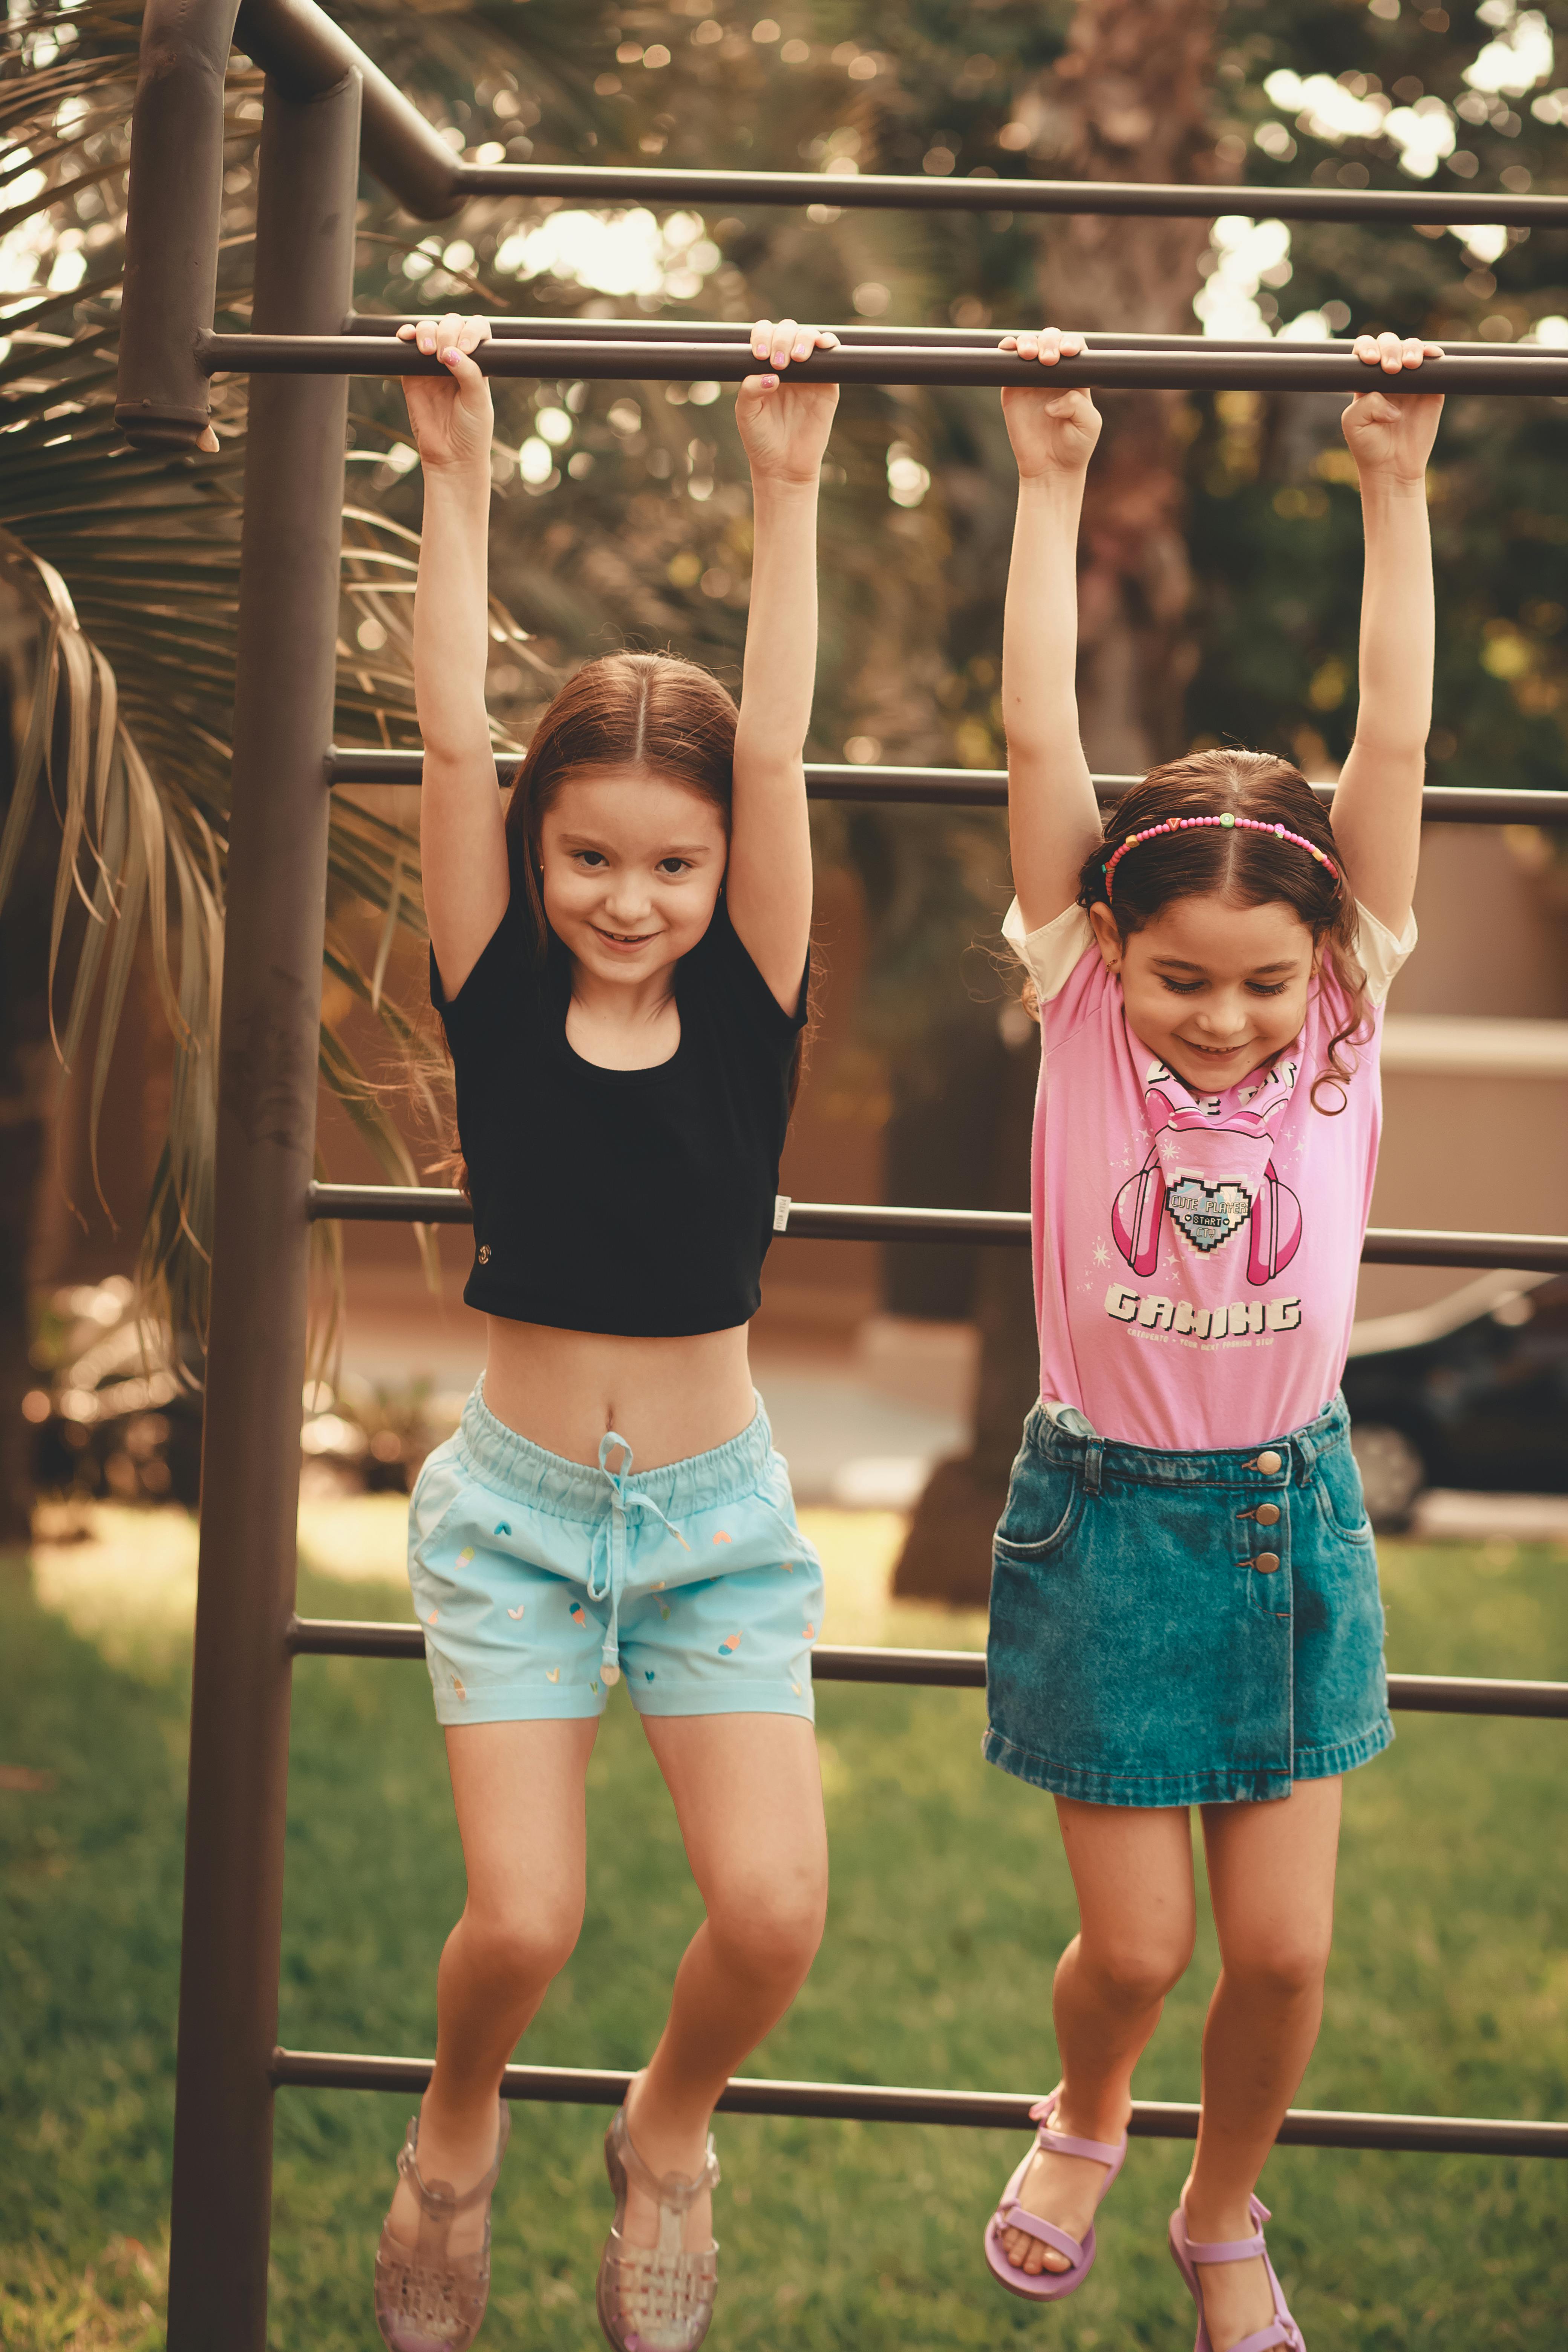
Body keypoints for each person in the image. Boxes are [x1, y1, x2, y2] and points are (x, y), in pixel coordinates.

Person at [373, 311, 840, 2352]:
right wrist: (457, 469)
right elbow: (455, 744)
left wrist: (790, 478)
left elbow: (776, 744)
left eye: (669, 864)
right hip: (519, 1518)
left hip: (720, 1521)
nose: (631, 898)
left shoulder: (751, 991)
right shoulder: (489, 978)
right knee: (527, 1920)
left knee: (773, 1915)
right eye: (589, 858)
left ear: (725, 871)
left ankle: (667, 2132)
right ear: (534, 855)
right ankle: (458, 2127)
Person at [980, 325, 1442, 2352]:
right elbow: (1029, 755)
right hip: (1108, 1512)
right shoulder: (1081, 999)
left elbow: (1398, 762)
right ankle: (1084, 2105)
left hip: (1288, 1510)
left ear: (1323, 964)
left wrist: (1397, 485)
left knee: (1284, 1955)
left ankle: (1222, 2214)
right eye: (1189, 977)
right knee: (1140, 1947)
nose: (1229, 1014)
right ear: (1113, 950)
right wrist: (1052, 478)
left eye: (1262, 980)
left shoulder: (1347, 1002)